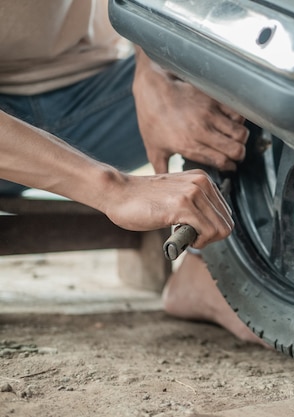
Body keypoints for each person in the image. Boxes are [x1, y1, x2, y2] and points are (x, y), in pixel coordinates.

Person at [0, 0, 261, 343]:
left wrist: (149, 64)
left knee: (238, 48)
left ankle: (207, 272)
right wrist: (113, 188)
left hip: (94, 94)